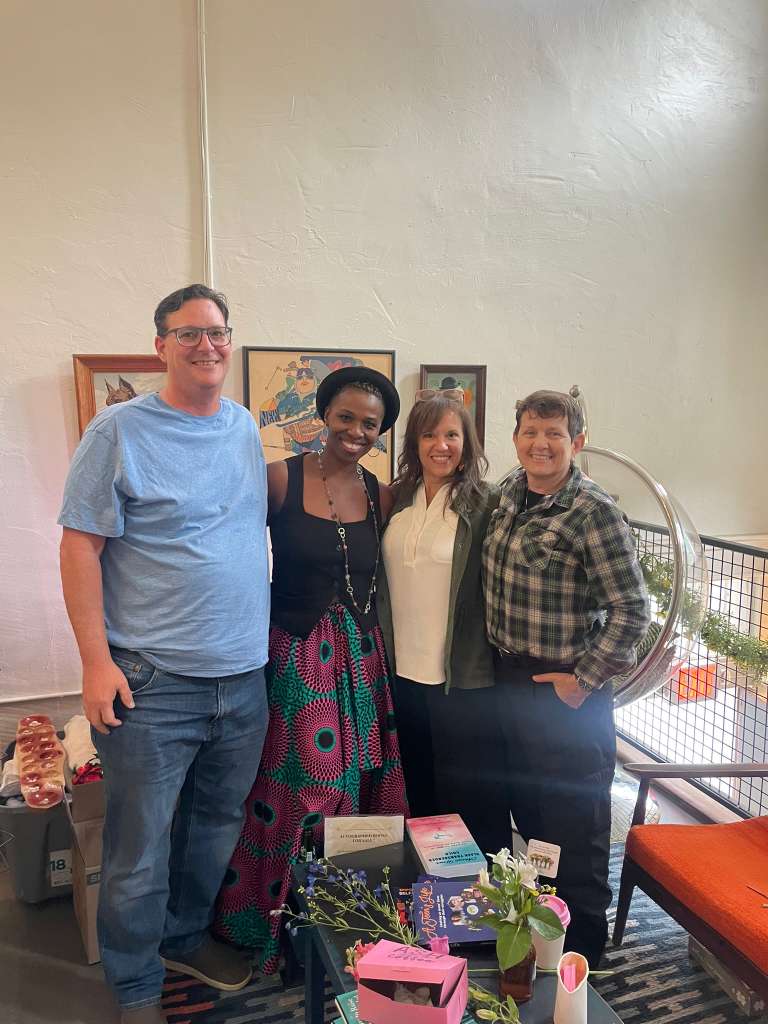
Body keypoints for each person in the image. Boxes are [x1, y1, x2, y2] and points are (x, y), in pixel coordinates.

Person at [58, 285, 270, 1024]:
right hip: (151, 681)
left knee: (214, 828)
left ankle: (182, 940)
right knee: (139, 849)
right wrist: (95, 663)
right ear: (160, 347)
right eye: (189, 334)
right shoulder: (117, 430)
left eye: (218, 332)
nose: (207, 345)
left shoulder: (243, 427)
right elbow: (79, 548)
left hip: (242, 679)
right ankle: (136, 984)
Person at [215, 366, 408, 973]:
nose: (356, 431)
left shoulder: (381, 495)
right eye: (346, 416)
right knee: (302, 791)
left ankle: (349, 928)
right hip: (297, 659)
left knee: (361, 791)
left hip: (362, 661)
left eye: (370, 423)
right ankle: (277, 927)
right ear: (324, 415)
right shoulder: (280, 478)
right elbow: (229, 551)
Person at [482, 389, 650, 968]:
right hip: (508, 681)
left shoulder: (594, 511)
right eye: (530, 431)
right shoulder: (509, 493)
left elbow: (633, 610)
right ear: (515, 438)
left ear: (576, 442)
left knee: (575, 825)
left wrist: (582, 680)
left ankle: (582, 955)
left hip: (566, 693)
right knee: (530, 818)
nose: (541, 444)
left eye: (554, 433)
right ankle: (539, 934)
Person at [377, 393, 502, 853]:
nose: (440, 445)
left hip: (461, 677)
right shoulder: (397, 499)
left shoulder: (487, 504)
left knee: (469, 795)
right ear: (415, 442)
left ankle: (479, 889)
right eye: (429, 434)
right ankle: (428, 889)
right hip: (400, 674)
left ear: (467, 442)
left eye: (451, 434)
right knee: (418, 789)